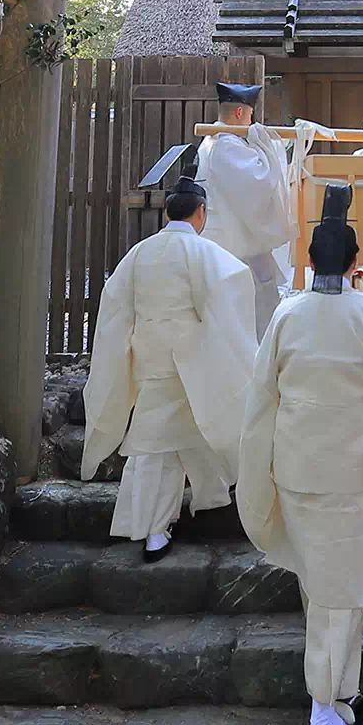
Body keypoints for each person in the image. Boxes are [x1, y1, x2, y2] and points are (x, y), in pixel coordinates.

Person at [238, 182, 363, 725]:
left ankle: (340, 690)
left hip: (297, 467)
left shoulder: (287, 316)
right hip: (350, 469)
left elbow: (259, 399)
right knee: (336, 585)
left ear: (308, 259)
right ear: (355, 262)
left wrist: (258, 465)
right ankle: (325, 705)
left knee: (325, 583)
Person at [81, 172, 260, 562]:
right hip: (192, 364)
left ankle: (163, 522)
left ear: (166, 214)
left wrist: (123, 356)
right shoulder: (207, 255)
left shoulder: (140, 254)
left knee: (161, 444)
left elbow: (114, 311)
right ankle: (161, 527)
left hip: (149, 359)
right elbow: (230, 307)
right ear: (201, 212)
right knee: (179, 438)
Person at [198, 80, 296, 336]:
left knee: (259, 292)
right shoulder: (226, 145)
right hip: (235, 238)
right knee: (252, 301)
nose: (252, 123)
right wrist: (268, 146)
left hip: (235, 234)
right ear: (240, 112)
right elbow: (259, 182)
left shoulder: (216, 141)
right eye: (251, 116)